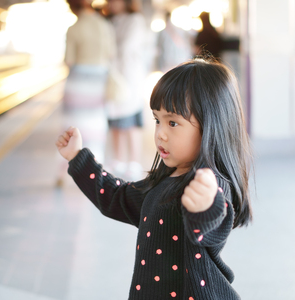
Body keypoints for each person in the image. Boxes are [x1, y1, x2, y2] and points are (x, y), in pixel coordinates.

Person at [55, 58, 253, 299]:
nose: (160, 133)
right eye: (157, 120)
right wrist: (78, 158)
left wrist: (205, 207)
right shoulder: (163, 184)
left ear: (211, 125)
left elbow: (211, 225)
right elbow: (116, 198)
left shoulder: (210, 183)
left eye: (173, 123)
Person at [56, 0, 116, 186]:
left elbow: (69, 60)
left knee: (71, 130)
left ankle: (62, 176)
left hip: (78, 83)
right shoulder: (104, 25)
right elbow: (111, 54)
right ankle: (95, 175)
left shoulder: (74, 28)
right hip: (99, 82)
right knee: (96, 129)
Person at [105, 0, 148, 180]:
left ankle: (134, 162)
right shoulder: (110, 20)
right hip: (114, 77)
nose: (110, 2)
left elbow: (126, 47)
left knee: (131, 122)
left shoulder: (135, 20)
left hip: (130, 78)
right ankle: (119, 160)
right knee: (115, 120)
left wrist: (108, 51)